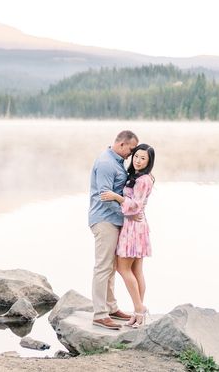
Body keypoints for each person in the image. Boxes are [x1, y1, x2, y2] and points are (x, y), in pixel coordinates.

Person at [89, 129, 139, 330]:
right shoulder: (106, 164)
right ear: (121, 145)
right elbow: (105, 196)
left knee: (110, 266)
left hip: (113, 220)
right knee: (103, 266)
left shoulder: (117, 162)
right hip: (105, 219)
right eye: (131, 149)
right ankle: (99, 314)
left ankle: (110, 307)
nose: (132, 154)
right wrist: (127, 215)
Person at [101, 143, 155, 327]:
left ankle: (139, 308)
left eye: (143, 158)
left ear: (149, 162)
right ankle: (138, 311)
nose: (138, 161)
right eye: (137, 157)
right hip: (136, 226)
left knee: (122, 268)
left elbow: (135, 206)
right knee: (136, 270)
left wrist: (116, 197)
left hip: (133, 227)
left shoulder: (143, 180)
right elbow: (137, 206)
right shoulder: (137, 177)